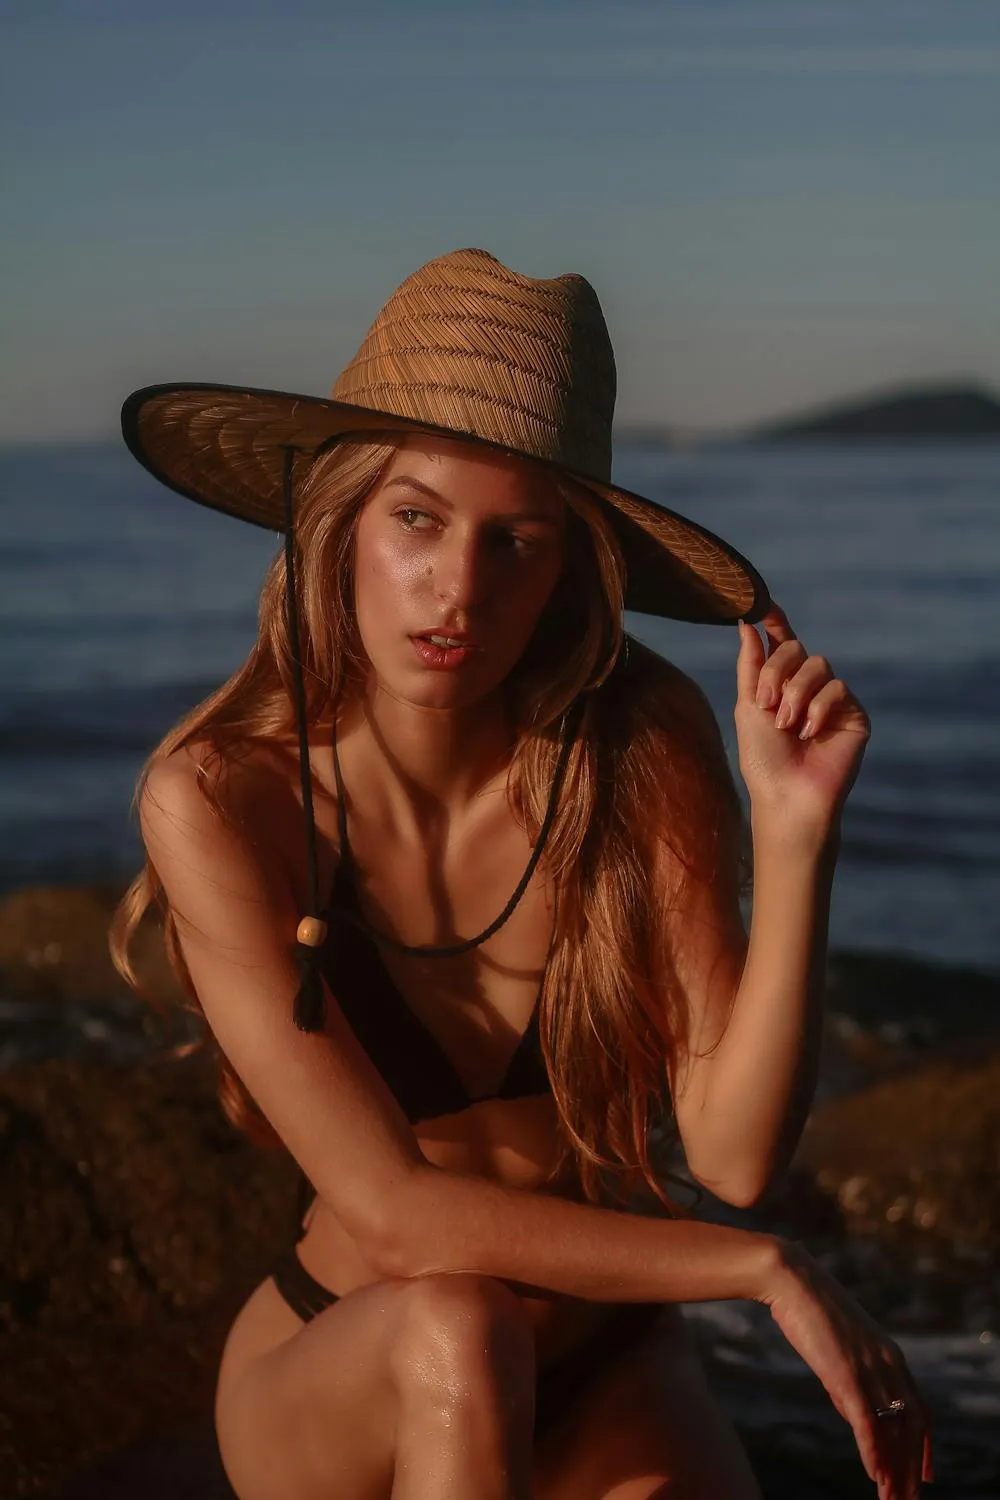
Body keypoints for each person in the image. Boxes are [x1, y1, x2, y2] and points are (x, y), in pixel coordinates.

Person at [113, 248, 931, 1500]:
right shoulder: (223, 799)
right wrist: (758, 1269)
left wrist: (794, 830)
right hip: (359, 1364)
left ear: (567, 572)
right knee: (458, 1326)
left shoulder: (635, 747)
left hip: (607, 1361)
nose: (459, 588)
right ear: (337, 521)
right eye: (417, 519)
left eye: (519, 541)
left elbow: (735, 1157)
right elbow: (390, 1214)